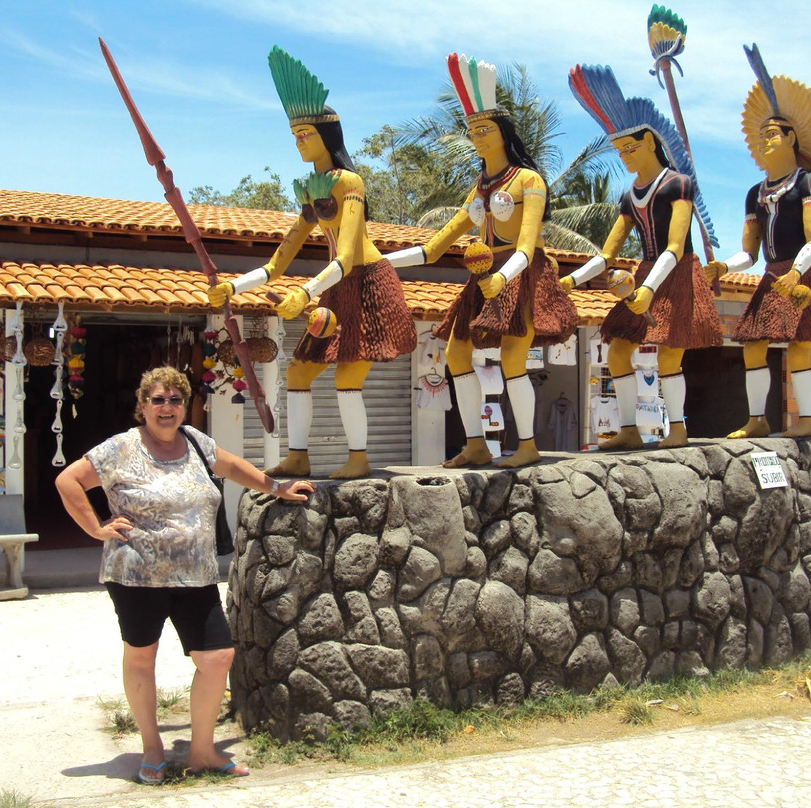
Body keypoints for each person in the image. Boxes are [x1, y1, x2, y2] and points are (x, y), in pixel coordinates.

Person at [55, 366, 314, 785]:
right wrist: (96, 528)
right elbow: (68, 481)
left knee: (217, 657)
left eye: (175, 400)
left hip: (197, 575)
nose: (167, 408)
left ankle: (202, 751)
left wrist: (278, 488)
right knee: (142, 656)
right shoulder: (120, 448)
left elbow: (233, 468)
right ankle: (153, 747)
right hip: (136, 575)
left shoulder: (196, 441)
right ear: (142, 406)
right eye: (157, 400)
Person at [208, 46, 416, 479]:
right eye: (295, 135)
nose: (300, 141)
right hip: (335, 286)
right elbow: (279, 260)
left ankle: (358, 458)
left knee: (347, 375)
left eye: (306, 134)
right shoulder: (310, 189)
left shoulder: (350, 183)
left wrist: (306, 290)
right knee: (299, 369)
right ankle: (298, 455)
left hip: (367, 284)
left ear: (328, 136)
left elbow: (347, 254)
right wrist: (235, 286)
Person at [386, 53, 578, 469]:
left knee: (512, 359)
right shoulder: (478, 191)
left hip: (522, 275)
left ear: (504, 133)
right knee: (456, 355)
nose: (476, 136)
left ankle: (526, 445)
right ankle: (476, 444)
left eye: (484, 128)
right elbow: (436, 247)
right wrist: (383, 263)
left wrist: (503, 277)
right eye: (471, 129)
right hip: (485, 276)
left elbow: (526, 246)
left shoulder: (530, 181)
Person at [561, 64, 721, 449]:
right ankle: (630, 428)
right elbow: (607, 254)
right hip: (646, 273)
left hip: (676, 274)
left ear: (650, 141)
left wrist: (649, 288)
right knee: (618, 349)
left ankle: (678, 428)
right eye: (619, 151)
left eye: (629, 148)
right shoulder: (629, 196)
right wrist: (572, 280)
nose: (625, 157)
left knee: (669, 357)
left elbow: (675, 246)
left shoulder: (678, 185)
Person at [705, 45, 811, 439]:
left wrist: (798, 272)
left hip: (806, 273)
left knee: (800, 347)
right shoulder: (755, 193)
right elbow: (749, 252)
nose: (764, 141)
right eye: (760, 135)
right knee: (752, 345)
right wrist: (724, 267)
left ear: (791, 137)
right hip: (770, 275)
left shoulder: (810, 182)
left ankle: (806, 421)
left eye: (772, 134)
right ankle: (757, 419)